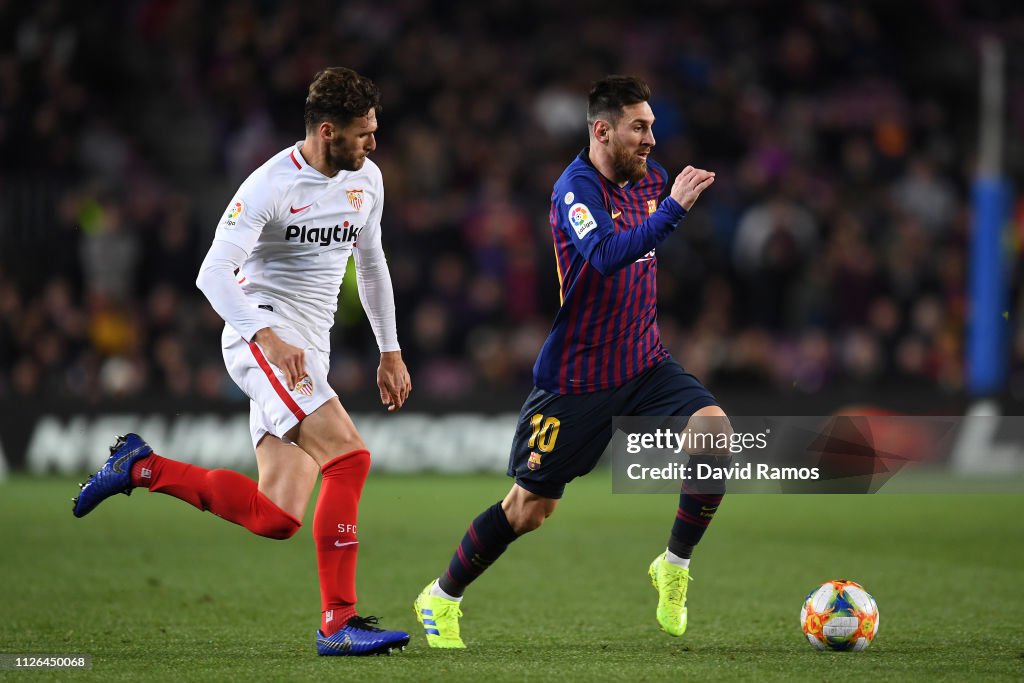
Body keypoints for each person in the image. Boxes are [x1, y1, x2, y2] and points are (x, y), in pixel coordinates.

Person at [72, 67, 412, 657]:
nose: (373, 143)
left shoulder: (368, 181)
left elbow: (374, 265)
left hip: (309, 348)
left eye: (374, 130)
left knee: (276, 515)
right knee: (350, 459)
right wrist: (269, 338)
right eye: (363, 133)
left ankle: (140, 467)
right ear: (327, 131)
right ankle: (339, 622)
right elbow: (212, 274)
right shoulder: (269, 185)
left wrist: (390, 349)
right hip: (263, 337)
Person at [413, 75, 730, 647]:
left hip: (645, 361)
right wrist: (675, 211)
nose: (652, 139)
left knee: (714, 434)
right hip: (578, 378)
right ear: (602, 130)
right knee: (529, 510)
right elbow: (607, 255)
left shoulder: (651, 180)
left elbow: (645, 250)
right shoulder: (574, 189)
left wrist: (668, 210)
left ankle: (674, 566)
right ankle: (441, 596)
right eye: (640, 127)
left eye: (653, 126)